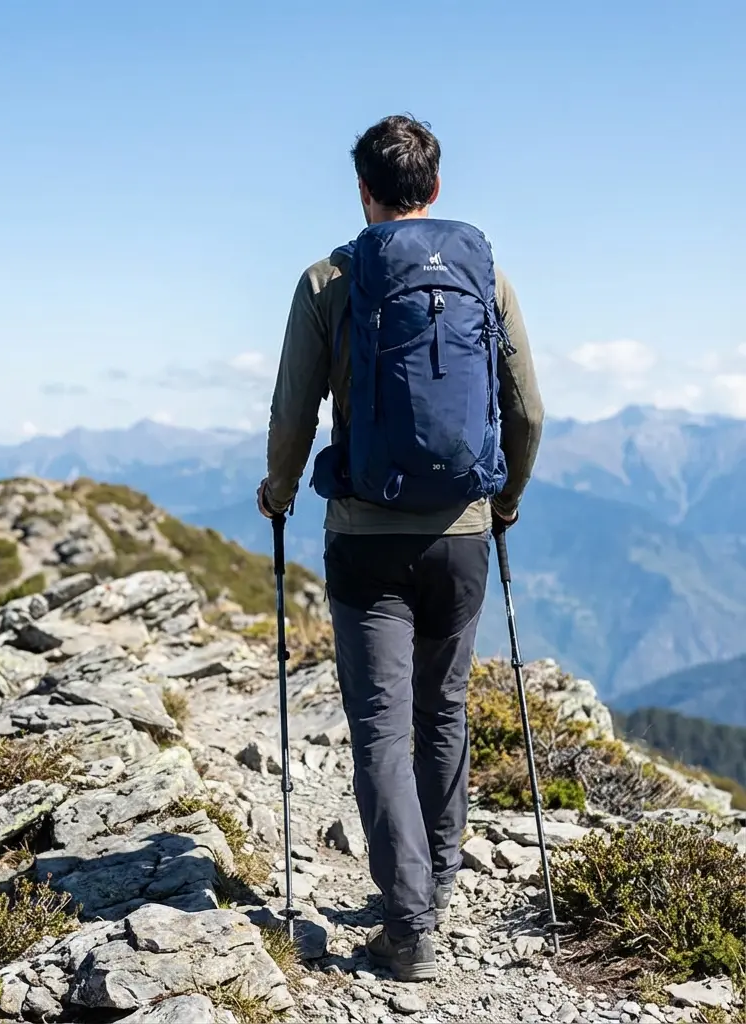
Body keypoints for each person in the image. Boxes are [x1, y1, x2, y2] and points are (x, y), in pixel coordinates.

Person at [256, 114, 544, 981]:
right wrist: (506, 502)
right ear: (437, 186)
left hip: (365, 541)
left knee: (381, 726)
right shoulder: (483, 274)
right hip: (461, 535)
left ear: (363, 191)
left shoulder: (327, 278)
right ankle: (440, 881)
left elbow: (293, 412)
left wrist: (277, 490)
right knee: (444, 710)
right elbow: (527, 410)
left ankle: (409, 926)